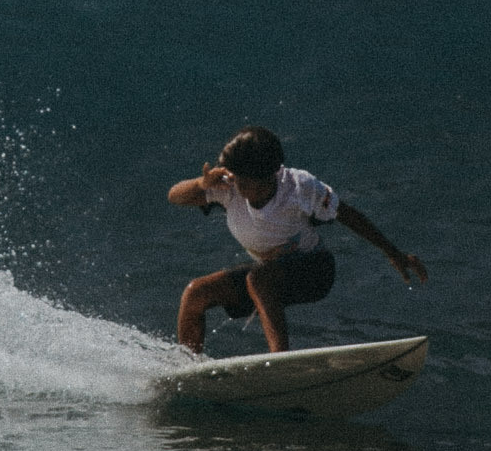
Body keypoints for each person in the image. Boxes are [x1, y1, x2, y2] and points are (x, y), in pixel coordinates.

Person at [166, 125, 428, 356]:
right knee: (195, 293)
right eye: (233, 176)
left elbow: (348, 215)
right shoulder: (228, 186)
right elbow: (174, 196)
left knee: (258, 279)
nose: (235, 184)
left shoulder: (299, 187)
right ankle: (186, 366)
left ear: (268, 175)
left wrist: (393, 253)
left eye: (243, 179)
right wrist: (202, 183)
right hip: (269, 276)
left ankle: (281, 362)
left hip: (314, 271)